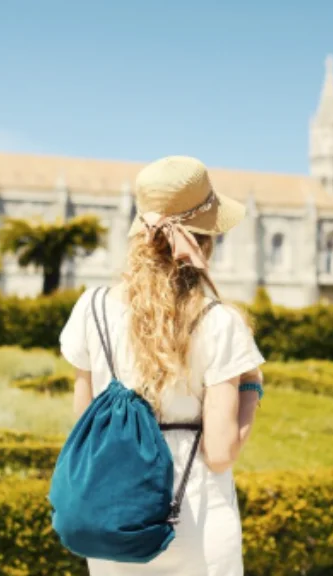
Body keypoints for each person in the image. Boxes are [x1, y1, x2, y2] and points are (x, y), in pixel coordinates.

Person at [58, 155, 265, 576]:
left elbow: (85, 422)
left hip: (116, 517)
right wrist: (251, 391)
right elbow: (221, 452)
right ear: (205, 237)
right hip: (196, 522)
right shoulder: (219, 321)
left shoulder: (91, 308)